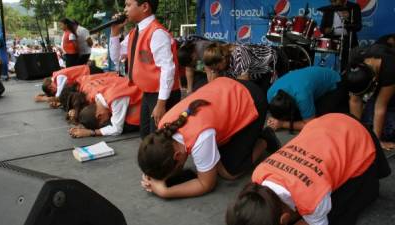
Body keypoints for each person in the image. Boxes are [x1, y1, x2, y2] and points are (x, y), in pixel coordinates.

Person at [227, 113, 391, 225]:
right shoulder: (259, 175)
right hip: (324, 124)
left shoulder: (312, 198)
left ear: (285, 219)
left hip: (358, 137)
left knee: (339, 215)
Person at [138, 77, 281, 199]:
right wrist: (151, 172)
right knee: (216, 158)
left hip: (251, 98)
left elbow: (206, 184)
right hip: (224, 87)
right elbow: (154, 151)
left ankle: (266, 138)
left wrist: (166, 191)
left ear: (177, 156)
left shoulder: (200, 137)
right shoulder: (164, 127)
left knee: (228, 172)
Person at [110, 0, 181, 139]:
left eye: (129, 5)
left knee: (159, 139)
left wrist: (161, 104)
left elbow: (168, 68)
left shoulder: (157, 33)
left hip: (162, 95)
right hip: (148, 93)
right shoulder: (134, 33)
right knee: (146, 135)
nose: (125, 10)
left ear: (145, 7)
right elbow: (116, 56)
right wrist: (114, 32)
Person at [267, 66, 348, 132]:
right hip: (308, 83)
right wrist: (274, 119)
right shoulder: (270, 93)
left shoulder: (302, 97)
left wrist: (282, 124)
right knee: (299, 116)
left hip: (335, 83)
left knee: (319, 122)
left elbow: (310, 124)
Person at [344, 51, 395, 150]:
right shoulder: (355, 63)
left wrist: (376, 143)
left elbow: (380, 107)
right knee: (367, 127)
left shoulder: (391, 69)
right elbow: (355, 101)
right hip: (378, 90)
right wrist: (356, 134)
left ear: (374, 79)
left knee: (388, 131)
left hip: (391, 93)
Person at [70, 76, 142, 138]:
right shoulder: (96, 96)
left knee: (126, 126)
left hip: (148, 96)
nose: (107, 121)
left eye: (104, 122)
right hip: (135, 82)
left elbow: (117, 129)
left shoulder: (115, 100)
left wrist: (92, 132)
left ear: (99, 116)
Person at [203, 42, 285, 93]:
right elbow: (214, 83)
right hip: (257, 72)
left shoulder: (239, 55)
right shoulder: (222, 62)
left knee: (270, 98)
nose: (216, 71)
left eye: (217, 69)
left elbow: (242, 85)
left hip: (275, 61)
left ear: (223, 59)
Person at [320, 0, 362, 72]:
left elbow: (358, 26)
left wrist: (348, 19)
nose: (333, 3)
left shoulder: (353, 7)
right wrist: (325, 30)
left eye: (335, 1)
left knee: (346, 66)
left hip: (348, 40)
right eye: (331, 1)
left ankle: (343, 77)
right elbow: (322, 28)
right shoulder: (328, 8)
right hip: (331, 40)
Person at [35, 64, 104, 105]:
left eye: (54, 91)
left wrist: (43, 99)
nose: (56, 91)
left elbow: (59, 97)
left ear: (50, 87)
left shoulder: (59, 77)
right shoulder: (57, 76)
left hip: (91, 72)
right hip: (90, 72)